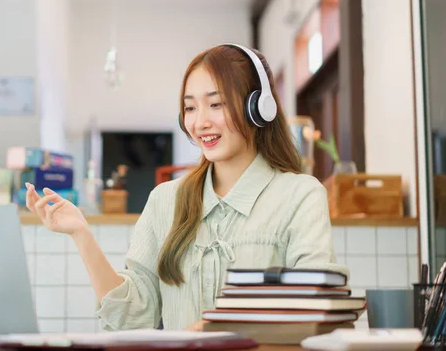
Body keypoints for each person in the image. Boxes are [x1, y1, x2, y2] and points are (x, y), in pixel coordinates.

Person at [24, 44, 349, 332]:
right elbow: (134, 316)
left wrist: (213, 326)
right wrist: (82, 234)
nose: (200, 122)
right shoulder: (166, 200)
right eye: (190, 107)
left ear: (258, 108)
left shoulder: (300, 195)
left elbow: (315, 306)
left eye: (216, 104)